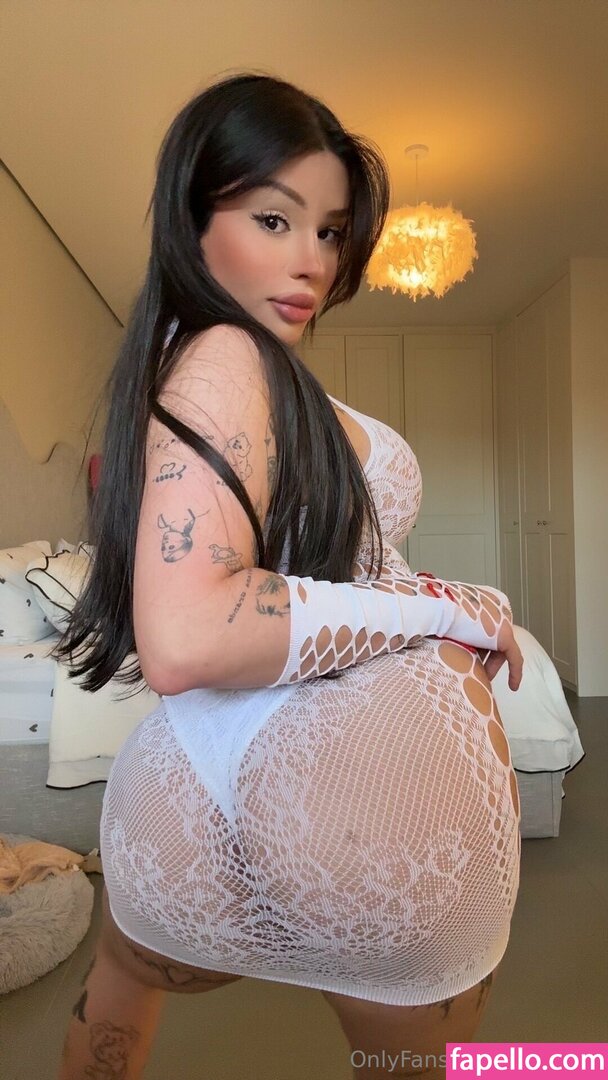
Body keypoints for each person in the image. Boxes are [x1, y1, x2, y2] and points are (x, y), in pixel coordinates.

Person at [55, 73, 523, 1080]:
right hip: (340, 806)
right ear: (193, 219)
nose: (312, 260)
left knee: (118, 999)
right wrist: (438, 611)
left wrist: (431, 597)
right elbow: (188, 633)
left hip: (198, 792)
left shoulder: (221, 366)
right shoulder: (225, 354)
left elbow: (323, 567)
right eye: (274, 219)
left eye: (330, 231)